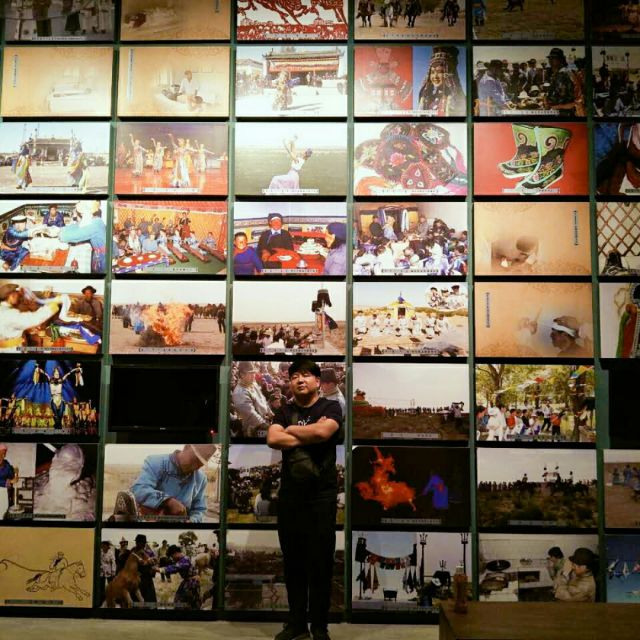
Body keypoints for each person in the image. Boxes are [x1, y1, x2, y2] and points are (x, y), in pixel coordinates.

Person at [267, 360, 343, 640]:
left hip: (322, 495)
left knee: (321, 562)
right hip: (291, 496)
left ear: (317, 381)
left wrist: (290, 431)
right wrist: (308, 434)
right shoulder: (284, 411)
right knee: (293, 563)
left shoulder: (330, 407)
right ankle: (296, 623)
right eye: (295, 376)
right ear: (289, 383)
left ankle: (319, 626)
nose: (300, 380)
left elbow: (324, 432)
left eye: (306, 375)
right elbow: (273, 440)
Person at [117, 444, 216, 522]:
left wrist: (192, 521)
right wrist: (168, 501)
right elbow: (139, 489)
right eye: (195, 459)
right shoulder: (155, 462)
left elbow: (200, 510)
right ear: (187, 447)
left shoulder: (201, 478)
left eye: (200, 464)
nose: (195, 467)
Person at [0, 283, 62, 351]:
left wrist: (26, 328)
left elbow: (9, 326)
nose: (18, 297)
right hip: (11, 350)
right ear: (12, 296)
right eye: (17, 294)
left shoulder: (3, 310)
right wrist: (53, 304)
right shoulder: (9, 313)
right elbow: (34, 318)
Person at [57, 200, 107, 273]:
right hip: (97, 254)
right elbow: (77, 225)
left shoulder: (96, 224)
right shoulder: (93, 220)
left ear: (88, 210)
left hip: (104, 257)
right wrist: (62, 229)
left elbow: (64, 237)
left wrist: (60, 233)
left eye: (82, 213)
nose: (81, 215)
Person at [418, 46, 465, 116]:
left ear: (449, 74)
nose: (435, 77)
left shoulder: (455, 100)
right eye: (432, 72)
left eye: (440, 71)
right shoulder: (427, 99)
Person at [232, 362, 273, 437]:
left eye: (254, 373)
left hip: (264, 423)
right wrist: (264, 424)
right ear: (242, 374)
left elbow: (262, 398)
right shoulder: (239, 392)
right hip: (252, 430)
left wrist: (269, 412)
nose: (253, 375)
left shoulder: (253, 383)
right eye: (250, 373)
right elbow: (250, 414)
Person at [0, 443, 17, 518]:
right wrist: (9, 481)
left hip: (4, 491)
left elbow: (10, 474)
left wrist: (14, 472)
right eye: (1, 452)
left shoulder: (6, 463)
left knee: (4, 509)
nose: (3, 455)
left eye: (4, 453)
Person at [99, 540, 116, 605]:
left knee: (110, 585)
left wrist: (113, 571)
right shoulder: (100, 552)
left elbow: (113, 562)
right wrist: (100, 567)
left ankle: (111, 598)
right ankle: (102, 598)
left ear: (107, 546)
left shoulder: (110, 553)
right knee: (101, 585)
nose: (103, 547)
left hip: (109, 571)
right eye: (102, 546)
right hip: (102, 571)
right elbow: (99, 561)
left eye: (105, 546)